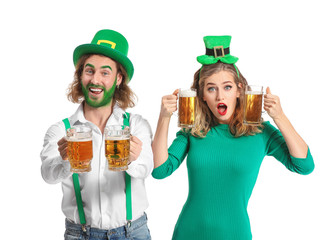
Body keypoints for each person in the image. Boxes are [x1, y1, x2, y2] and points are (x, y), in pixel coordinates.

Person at [151, 35, 314, 240]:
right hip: (188, 233)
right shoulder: (192, 131)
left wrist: (279, 116)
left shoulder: (260, 132)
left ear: (239, 90)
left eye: (227, 87)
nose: (220, 96)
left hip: (235, 234)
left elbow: (304, 165)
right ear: (202, 95)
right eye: (212, 88)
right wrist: (164, 117)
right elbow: (159, 170)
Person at [41, 29, 153, 240]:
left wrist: (131, 159)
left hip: (133, 233)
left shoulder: (136, 125)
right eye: (89, 71)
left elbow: (147, 168)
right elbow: (47, 174)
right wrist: (66, 160)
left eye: (105, 73)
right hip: (81, 234)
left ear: (118, 79)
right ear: (80, 75)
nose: (95, 80)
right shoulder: (61, 130)